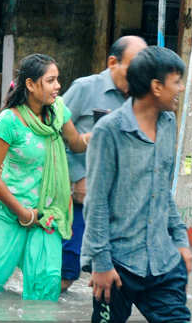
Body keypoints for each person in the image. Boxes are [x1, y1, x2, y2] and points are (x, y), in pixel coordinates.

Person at [82, 46, 192, 323]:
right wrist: (100, 263)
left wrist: (180, 240)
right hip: (116, 264)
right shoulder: (109, 130)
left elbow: (163, 191)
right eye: (176, 82)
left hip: (162, 260)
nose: (181, 89)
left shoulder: (169, 125)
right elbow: (96, 202)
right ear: (156, 87)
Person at [0, 54, 89, 301]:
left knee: (46, 288)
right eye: (50, 80)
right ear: (30, 84)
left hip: (46, 213)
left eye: (57, 80)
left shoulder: (58, 111)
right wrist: (22, 213)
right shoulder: (9, 121)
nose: (58, 86)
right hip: (8, 211)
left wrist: (100, 132)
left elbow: (77, 143)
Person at [61, 35, 147, 292]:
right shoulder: (85, 88)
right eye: (133, 68)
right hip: (79, 197)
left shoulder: (141, 99)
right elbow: (53, 135)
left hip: (120, 203)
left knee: (116, 274)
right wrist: (77, 176)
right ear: (113, 62)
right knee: (67, 271)